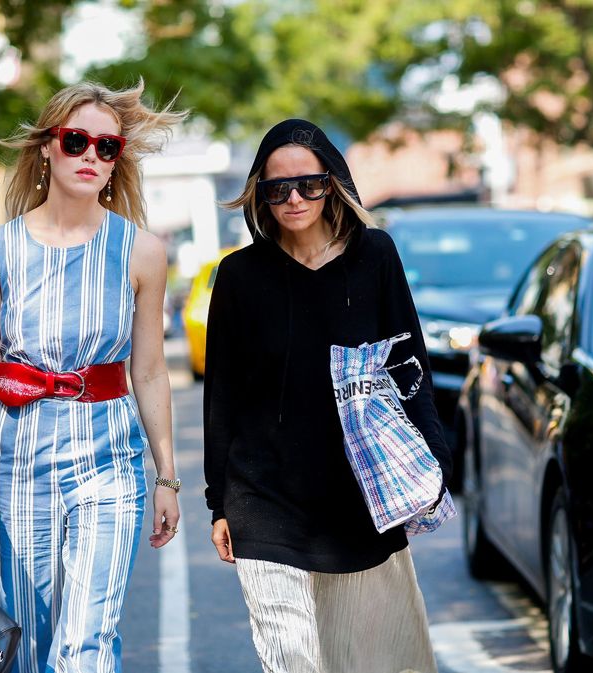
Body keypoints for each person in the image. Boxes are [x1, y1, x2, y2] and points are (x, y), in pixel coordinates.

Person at [0, 79, 187, 673]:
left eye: (108, 147)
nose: (91, 157)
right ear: (47, 147)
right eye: (77, 141)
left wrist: (168, 478)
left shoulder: (141, 252)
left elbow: (150, 373)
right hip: (18, 469)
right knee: (31, 648)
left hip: (109, 467)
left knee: (85, 646)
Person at [203, 119, 453, 673]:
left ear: (332, 183)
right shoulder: (239, 276)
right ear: (260, 195)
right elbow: (222, 397)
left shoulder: (375, 256)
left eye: (308, 185)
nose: (293, 198)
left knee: (368, 659)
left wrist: (436, 461)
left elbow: (411, 369)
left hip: (360, 500)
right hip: (263, 502)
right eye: (277, 189)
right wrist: (218, 501)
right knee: (292, 662)